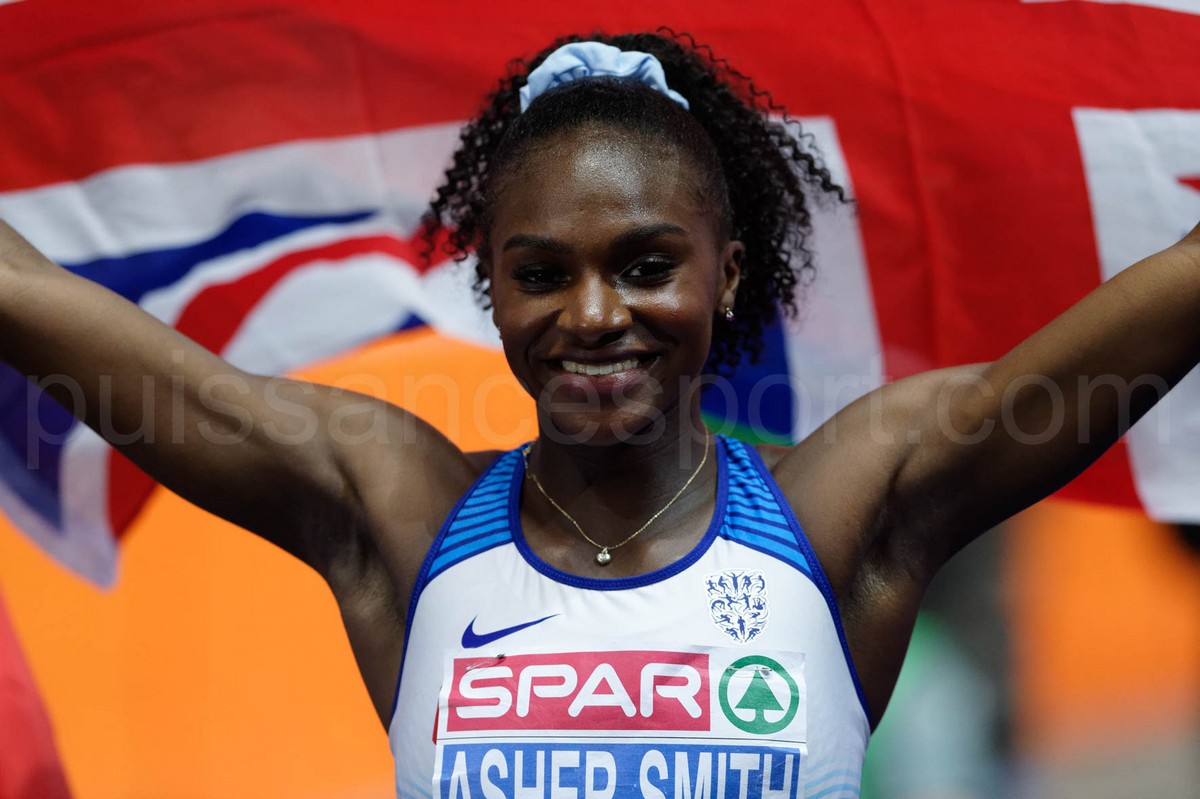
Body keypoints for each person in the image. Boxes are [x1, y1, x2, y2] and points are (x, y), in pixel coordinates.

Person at [0, 29, 1197, 799]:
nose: (592, 314)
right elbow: (32, 298)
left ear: (727, 276)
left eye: (645, 264)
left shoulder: (846, 510)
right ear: (492, 289)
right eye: (540, 273)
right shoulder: (398, 511)